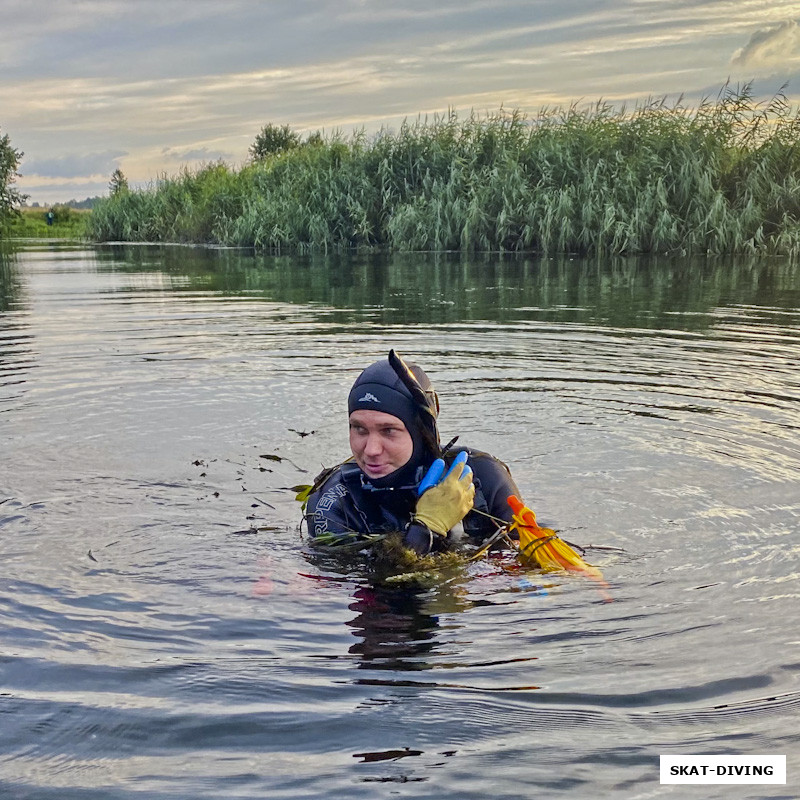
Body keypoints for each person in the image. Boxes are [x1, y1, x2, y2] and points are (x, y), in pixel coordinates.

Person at [305, 350, 521, 555]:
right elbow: (375, 587)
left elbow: (531, 567)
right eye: (359, 429)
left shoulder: (484, 478)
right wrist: (427, 528)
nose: (371, 450)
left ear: (421, 433)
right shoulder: (333, 501)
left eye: (388, 431)